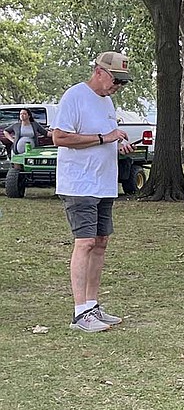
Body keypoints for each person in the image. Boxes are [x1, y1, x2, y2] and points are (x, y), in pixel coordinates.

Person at [51, 52, 134, 333]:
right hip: (79, 185)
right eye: (115, 80)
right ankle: (79, 312)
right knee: (84, 243)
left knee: (100, 243)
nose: (117, 87)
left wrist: (117, 141)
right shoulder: (74, 96)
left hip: (103, 184)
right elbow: (60, 137)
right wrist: (103, 138)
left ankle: (92, 304)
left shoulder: (107, 102)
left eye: (122, 83)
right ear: (99, 72)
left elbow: (107, 135)